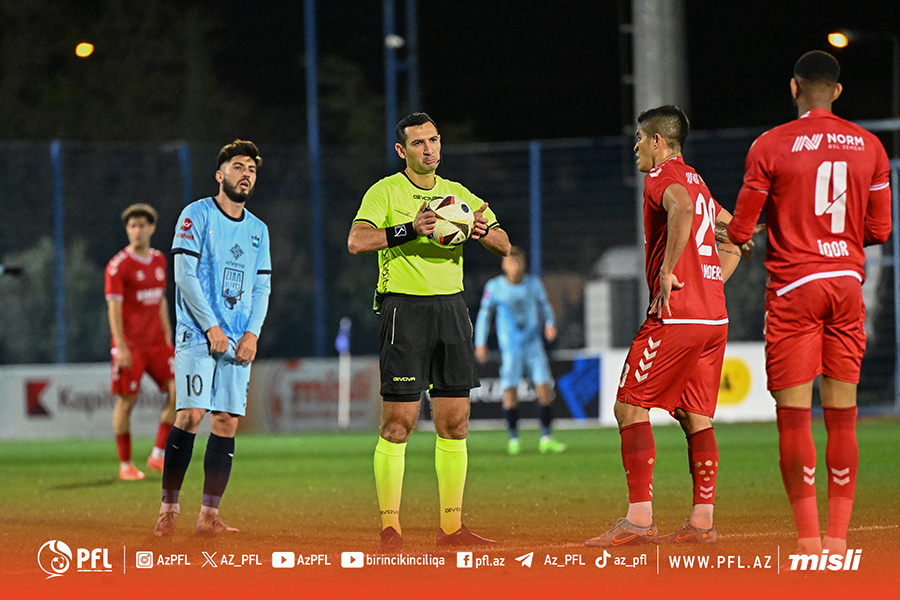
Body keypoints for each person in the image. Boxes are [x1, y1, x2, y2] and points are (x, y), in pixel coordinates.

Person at [727, 51, 892, 556]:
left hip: (796, 288)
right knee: (843, 416)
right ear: (837, 92)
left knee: (795, 416)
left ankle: (808, 543)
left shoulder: (770, 145)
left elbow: (740, 227)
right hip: (845, 284)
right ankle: (838, 541)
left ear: (794, 88)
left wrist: (755, 228)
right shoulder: (871, 146)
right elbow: (879, 230)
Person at [348, 112, 511, 552]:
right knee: (398, 424)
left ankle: (452, 530)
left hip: (451, 308)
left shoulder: (457, 195)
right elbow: (357, 241)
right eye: (419, 143)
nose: (430, 149)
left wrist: (480, 231)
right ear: (402, 150)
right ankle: (390, 530)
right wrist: (409, 230)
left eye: (435, 140)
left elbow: (504, 243)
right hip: (404, 308)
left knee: (455, 423)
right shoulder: (386, 191)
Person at [585, 105, 744, 548]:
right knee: (696, 416)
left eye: (639, 137)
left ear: (657, 141)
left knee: (629, 406)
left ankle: (639, 519)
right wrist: (713, 277)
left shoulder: (663, 177)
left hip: (678, 316)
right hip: (713, 316)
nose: (635, 145)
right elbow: (738, 233)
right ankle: (702, 521)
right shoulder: (699, 179)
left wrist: (669, 271)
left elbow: (682, 208)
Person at [154, 140, 271, 536]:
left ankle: (209, 516)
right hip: (197, 335)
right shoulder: (196, 215)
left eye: (251, 170)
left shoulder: (258, 230)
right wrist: (210, 327)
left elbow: (261, 289)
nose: (246, 175)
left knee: (225, 422)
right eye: (238, 167)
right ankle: (168, 510)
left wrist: (252, 333)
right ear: (220, 174)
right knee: (190, 415)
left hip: (238, 341)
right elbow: (184, 277)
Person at [104, 203, 176, 481]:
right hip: (131, 346)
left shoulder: (159, 260)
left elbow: (160, 300)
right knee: (127, 401)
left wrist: (168, 336)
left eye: (142, 225)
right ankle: (126, 466)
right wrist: (120, 346)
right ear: (127, 230)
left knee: (178, 393)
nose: (137, 230)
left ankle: (158, 455)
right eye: (132, 226)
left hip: (157, 343)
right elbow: (113, 307)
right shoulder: (118, 266)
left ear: (152, 228)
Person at [474, 246, 565, 455]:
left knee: (544, 389)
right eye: (511, 262)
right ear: (504, 265)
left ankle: (546, 437)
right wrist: (480, 342)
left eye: (519, 262)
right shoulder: (495, 287)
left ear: (523, 264)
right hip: (511, 348)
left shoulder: (533, 284)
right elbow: (484, 316)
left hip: (534, 345)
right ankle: (514, 439)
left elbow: (545, 306)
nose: (515, 266)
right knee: (510, 391)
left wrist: (550, 323)